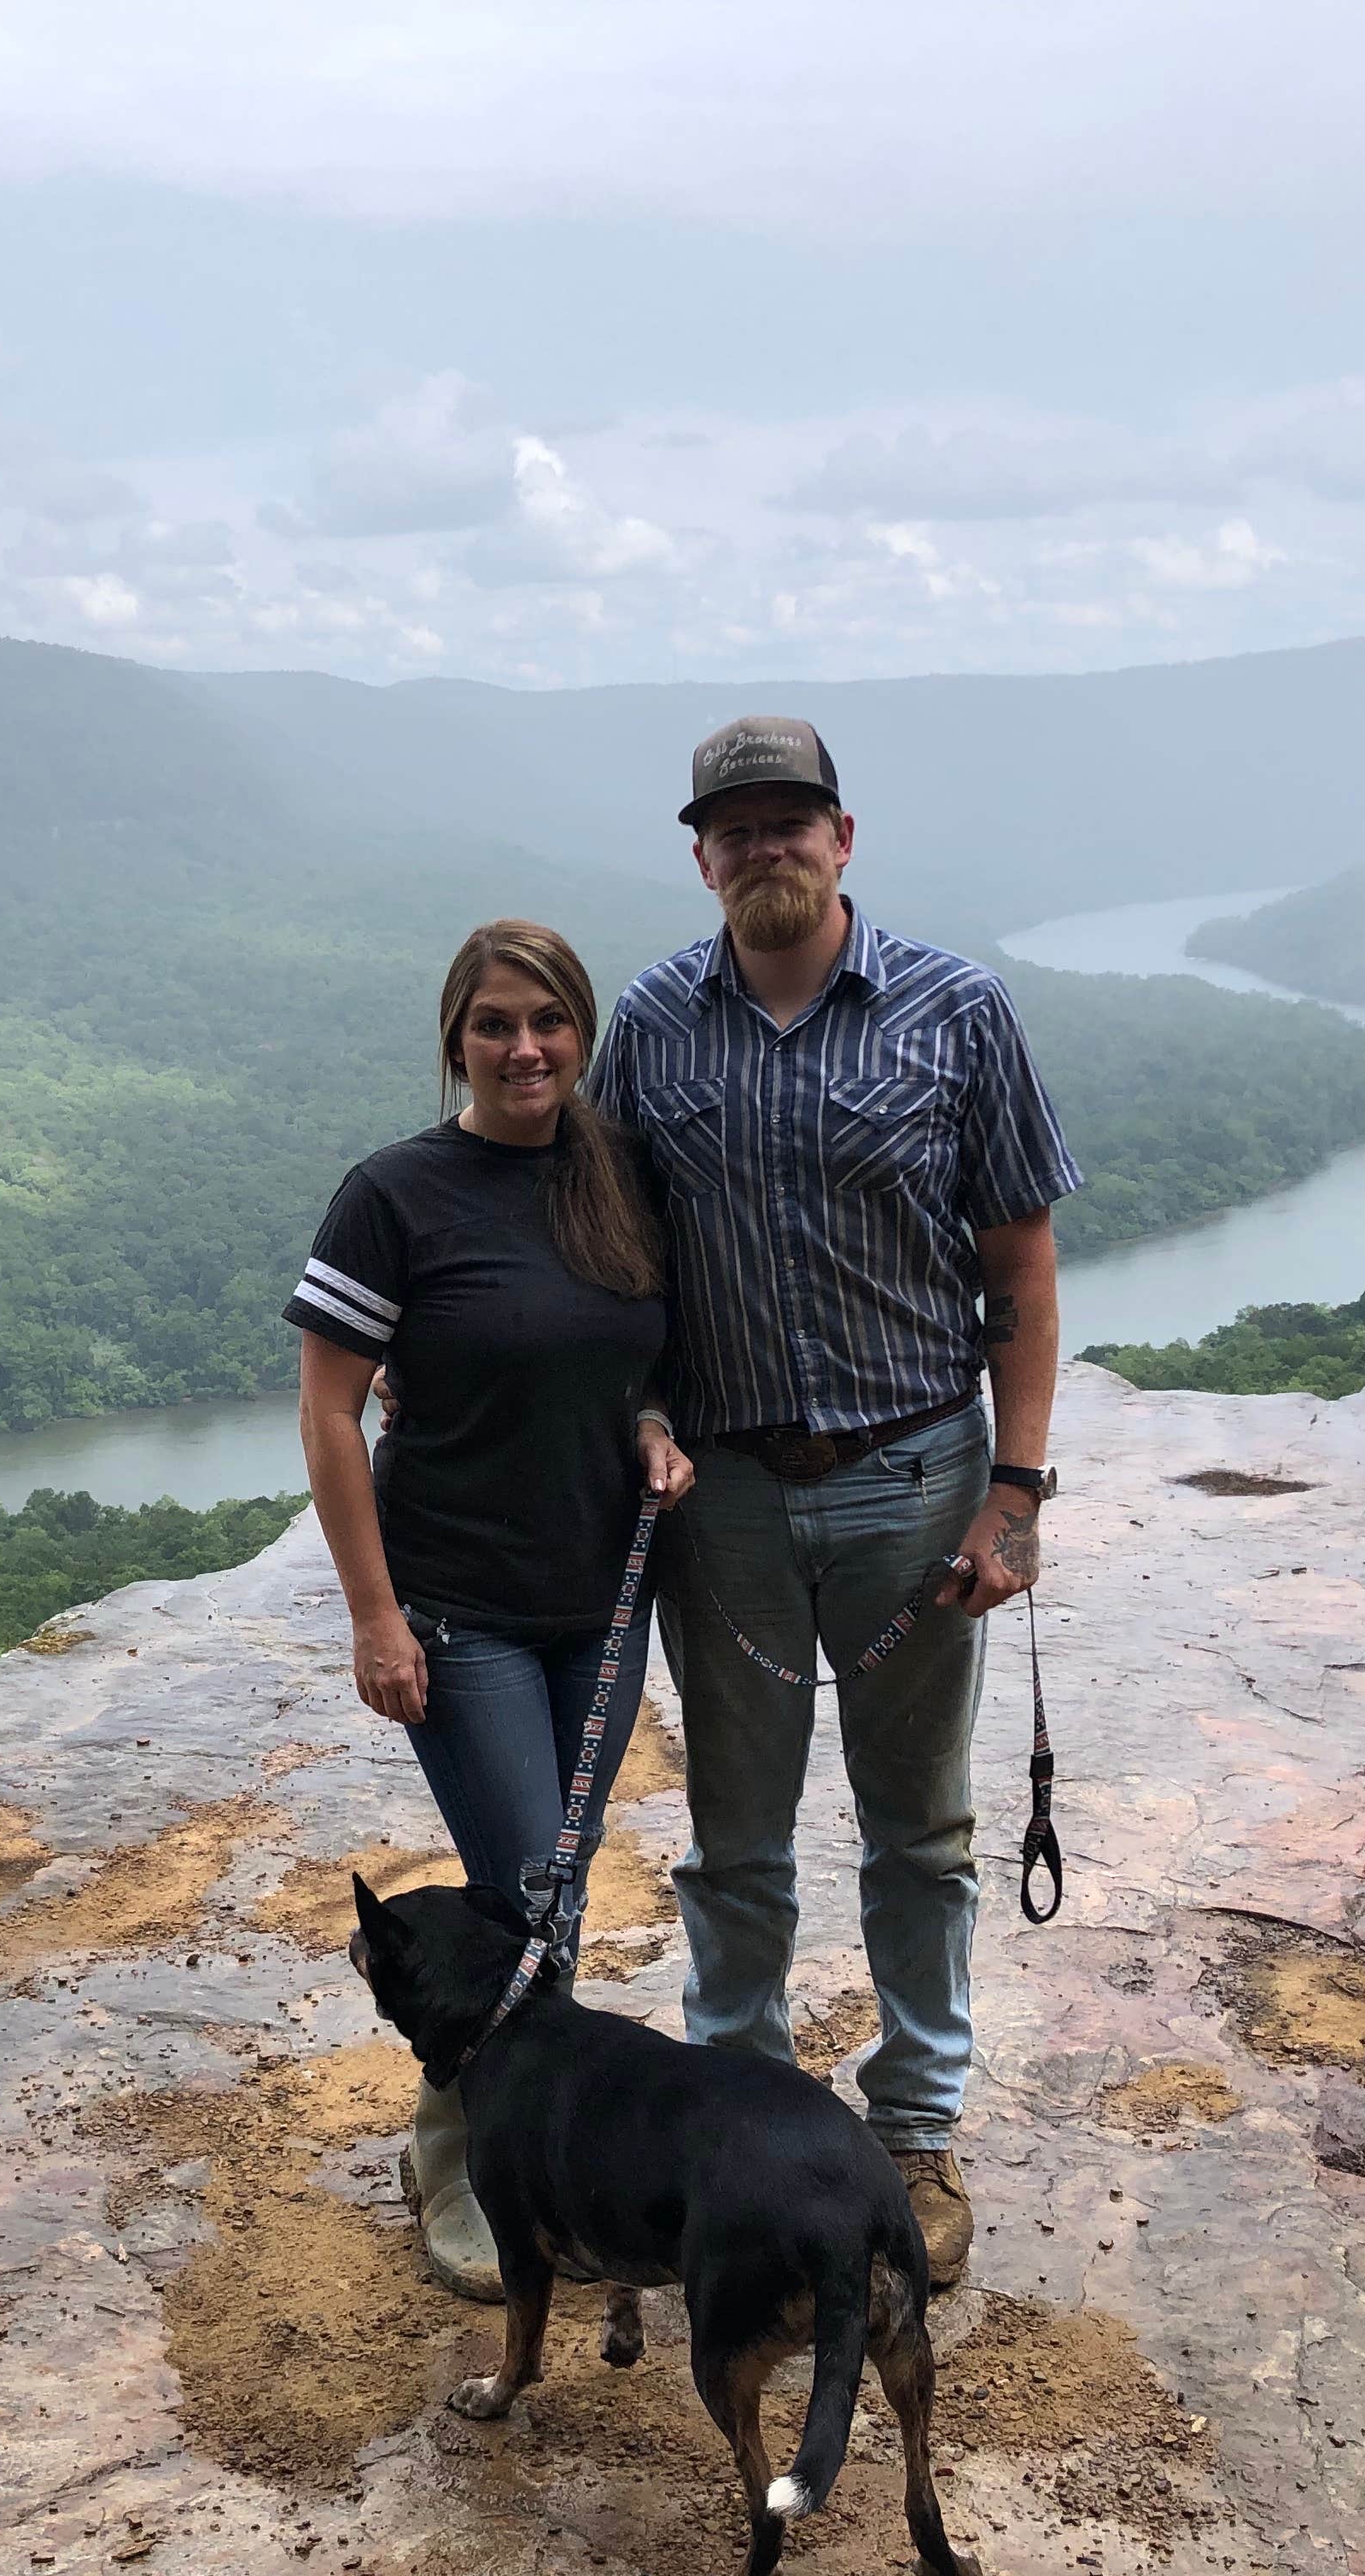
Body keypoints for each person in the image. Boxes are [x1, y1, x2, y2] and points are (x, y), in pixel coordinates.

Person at [590, 715, 1079, 2293]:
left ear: (843, 836)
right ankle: (724, 2116)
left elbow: (1018, 1261)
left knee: (917, 1829)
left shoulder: (954, 1007)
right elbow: (608, 1255)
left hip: (913, 1477)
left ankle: (915, 2124)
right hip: (723, 1493)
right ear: (700, 853)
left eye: (789, 820)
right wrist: (626, 1406)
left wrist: (1013, 1487)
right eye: (734, 828)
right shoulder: (653, 1022)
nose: (764, 848)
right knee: (733, 1842)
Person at [289, 917, 694, 2302]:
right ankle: (454, 2149)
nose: (525, 1048)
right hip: (459, 1610)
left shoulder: (617, 1176)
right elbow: (331, 1409)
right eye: (494, 1023)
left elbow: (640, 1355)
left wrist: (652, 1426)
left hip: (602, 1599)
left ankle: (516, 2144)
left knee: (554, 1893)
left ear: (582, 1032)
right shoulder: (396, 1193)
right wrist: (371, 1614)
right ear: (455, 1037)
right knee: (532, 1888)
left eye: (549, 1021)